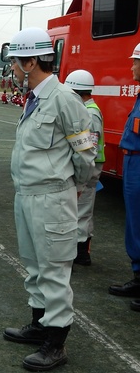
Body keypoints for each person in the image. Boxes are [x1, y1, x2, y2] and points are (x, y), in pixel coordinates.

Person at [2, 27, 96, 371]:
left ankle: (56, 343)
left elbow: (85, 151)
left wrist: (78, 185)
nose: (12, 68)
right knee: (33, 264)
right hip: (26, 195)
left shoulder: (64, 98)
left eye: (15, 61)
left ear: (30, 62)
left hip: (52, 197)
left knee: (54, 270)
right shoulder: (36, 97)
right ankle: (39, 324)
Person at [109, 42, 140, 311]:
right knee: (134, 222)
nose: (131, 66)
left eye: (135, 61)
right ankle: (138, 276)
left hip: (139, 160)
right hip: (133, 161)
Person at [64, 69, 105, 266]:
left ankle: (81, 252)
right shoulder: (90, 109)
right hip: (91, 166)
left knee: (82, 210)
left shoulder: (90, 113)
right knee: (82, 209)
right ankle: (81, 250)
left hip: (90, 167)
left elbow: (91, 146)